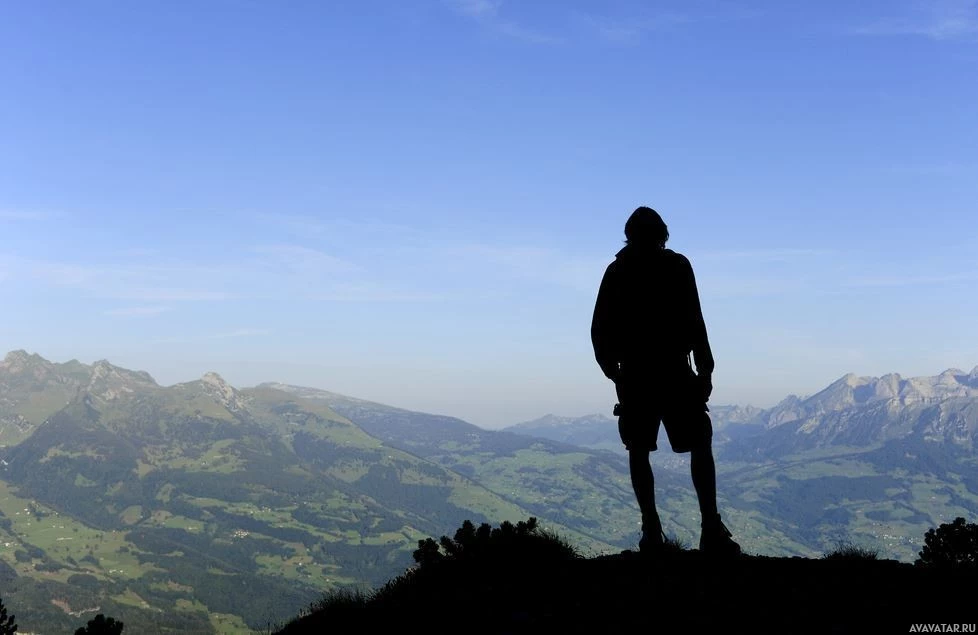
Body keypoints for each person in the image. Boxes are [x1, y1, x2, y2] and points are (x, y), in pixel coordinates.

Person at [590, 206, 741, 557]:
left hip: (636, 375)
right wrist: (705, 369)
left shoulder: (618, 271)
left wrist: (614, 370)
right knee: (699, 443)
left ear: (630, 235)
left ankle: (651, 529)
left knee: (639, 449)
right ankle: (710, 527)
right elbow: (695, 319)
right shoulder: (676, 266)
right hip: (674, 371)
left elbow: (600, 328)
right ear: (663, 235)